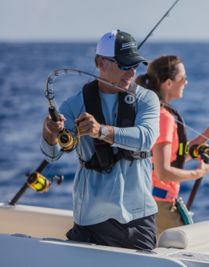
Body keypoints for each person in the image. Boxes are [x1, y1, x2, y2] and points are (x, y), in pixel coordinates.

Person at [41, 30, 160, 250]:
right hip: (91, 220)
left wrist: (100, 131)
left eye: (135, 65)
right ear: (100, 62)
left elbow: (147, 138)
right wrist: (49, 132)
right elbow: (52, 154)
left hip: (139, 217)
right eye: (125, 65)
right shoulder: (73, 105)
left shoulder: (147, 99)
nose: (132, 72)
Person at [136, 55, 209, 236]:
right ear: (169, 83)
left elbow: (176, 156)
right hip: (160, 207)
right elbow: (163, 172)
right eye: (183, 78)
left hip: (149, 202)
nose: (186, 82)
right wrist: (198, 174)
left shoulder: (154, 111)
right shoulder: (164, 118)